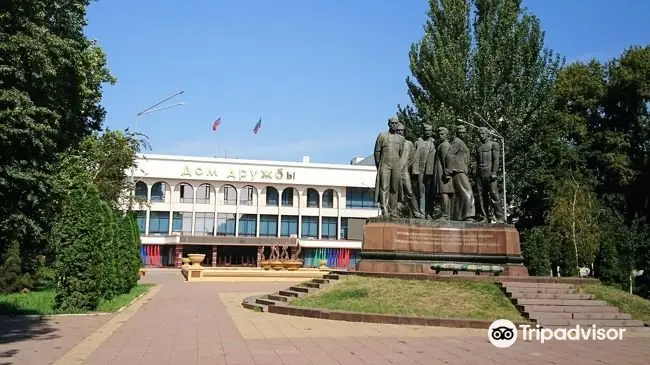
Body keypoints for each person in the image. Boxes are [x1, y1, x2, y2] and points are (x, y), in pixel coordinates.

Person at [373, 116, 404, 217]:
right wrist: (379, 165)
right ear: (388, 124)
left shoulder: (401, 139)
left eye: (396, 123)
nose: (394, 125)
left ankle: (393, 210)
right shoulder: (382, 136)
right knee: (384, 187)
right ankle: (384, 209)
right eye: (392, 123)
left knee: (394, 188)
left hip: (396, 164)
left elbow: (400, 152)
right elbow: (377, 152)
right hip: (385, 164)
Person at [446, 125, 475, 221]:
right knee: (468, 192)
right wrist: (449, 170)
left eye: (463, 132)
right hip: (458, 171)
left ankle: (457, 216)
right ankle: (469, 216)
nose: (462, 134)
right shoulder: (457, 142)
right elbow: (450, 155)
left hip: (461, 170)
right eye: (460, 132)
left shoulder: (461, 142)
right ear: (457, 133)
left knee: (458, 195)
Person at [476, 127, 504, 222]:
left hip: (490, 173)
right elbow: (477, 161)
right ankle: (484, 217)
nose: (481, 135)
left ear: (488, 134)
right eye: (480, 134)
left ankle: (500, 217)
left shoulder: (494, 145)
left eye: (483, 133)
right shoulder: (478, 147)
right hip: (480, 174)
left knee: (494, 194)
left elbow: (496, 160)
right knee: (481, 197)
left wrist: (494, 172)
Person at [395, 123, 424, 218]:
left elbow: (412, 158)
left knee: (409, 191)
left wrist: (408, 168)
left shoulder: (409, 144)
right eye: (398, 130)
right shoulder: (393, 143)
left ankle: (416, 211)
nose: (400, 132)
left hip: (404, 171)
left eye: (402, 130)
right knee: (394, 192)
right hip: (394, 171)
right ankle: (393, 211)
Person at [412, 124, 436, 218]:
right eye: (426, 130)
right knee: (421, 192)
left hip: (431, 170)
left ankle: (429, 212)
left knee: (430, 193)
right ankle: (422, 212)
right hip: (421, 169)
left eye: (429, 130)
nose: (427, 132)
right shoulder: (418, 142)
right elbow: (414, 157)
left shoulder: (435, 142)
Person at [433, 127, 453, 219]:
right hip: (441, 172)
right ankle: (446, 214)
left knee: (444, 192)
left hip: (443, 173)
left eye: (442, 134)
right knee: (443, 193)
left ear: (446, 134)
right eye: (439, 134)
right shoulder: (442, 145)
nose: (440, 136)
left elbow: (446, 159)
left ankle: (445, 214)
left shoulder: (444, 145)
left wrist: (447, 172)